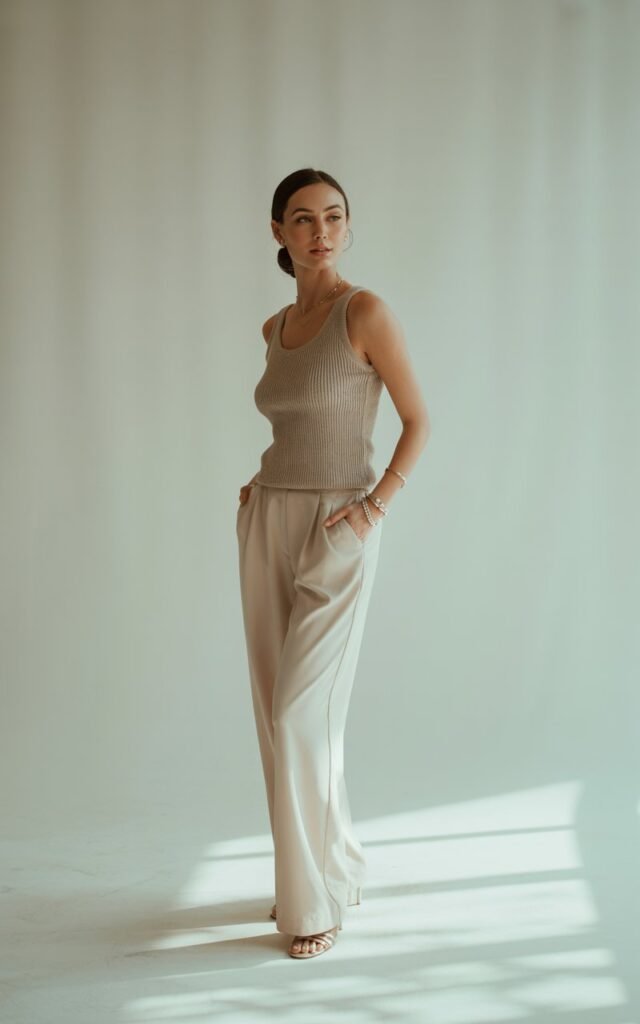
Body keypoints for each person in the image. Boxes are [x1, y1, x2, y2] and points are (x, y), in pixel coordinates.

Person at [236, 167, 430, 959]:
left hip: (341, 519)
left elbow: (418, 420)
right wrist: (260, 483)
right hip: (269, 513)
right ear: (279, 234)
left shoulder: (366, 312)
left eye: (334, 216)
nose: (321, 230)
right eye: (303, 218)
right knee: (276, 713)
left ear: (348, 228)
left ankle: (313, 903)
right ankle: (322, 867)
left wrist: (374, 507)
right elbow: (290, 424)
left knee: (301, 711)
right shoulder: (275, 327)